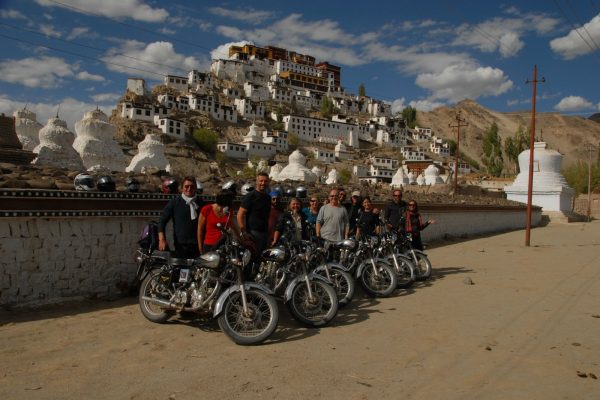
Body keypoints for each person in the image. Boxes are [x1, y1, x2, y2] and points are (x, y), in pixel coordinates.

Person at [158, 176, 204, 258]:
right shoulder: (175, 203)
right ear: (182, 188)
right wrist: (162, 240)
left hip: (199, 245)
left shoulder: (201, 203)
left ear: (195, 188)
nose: (189, 189)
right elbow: (162, 221)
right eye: (186, 186)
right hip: (181, 245)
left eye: (192, 186)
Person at [237, 172, 271, 253]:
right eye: (261, 181)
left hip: (265, 233)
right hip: (253, 233)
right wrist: (244, 232)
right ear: (257, 182)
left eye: (265, 181)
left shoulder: (268, 198)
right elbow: (240, 214)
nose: (263, 183)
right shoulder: (250, 196)